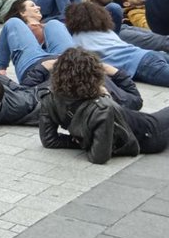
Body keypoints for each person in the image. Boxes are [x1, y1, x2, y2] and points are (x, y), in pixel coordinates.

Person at [39, 48, 169, 163]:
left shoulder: (49, 97)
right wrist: (87, 144)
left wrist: (79, 142)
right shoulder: (103, 107)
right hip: (149, 134)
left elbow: (49, 140)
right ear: (95, 76)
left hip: (139, 123)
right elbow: (99, 157)